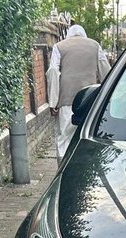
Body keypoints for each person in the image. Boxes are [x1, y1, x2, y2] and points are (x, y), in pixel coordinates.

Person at [47, 24, 110, 157]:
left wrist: (53, 102)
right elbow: (105, 70)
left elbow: (53, 72)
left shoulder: (59, 47)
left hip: (66, 101)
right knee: (87, 136)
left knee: (64, 138)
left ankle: (63, 173)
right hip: (90, 101)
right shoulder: (95, 46)